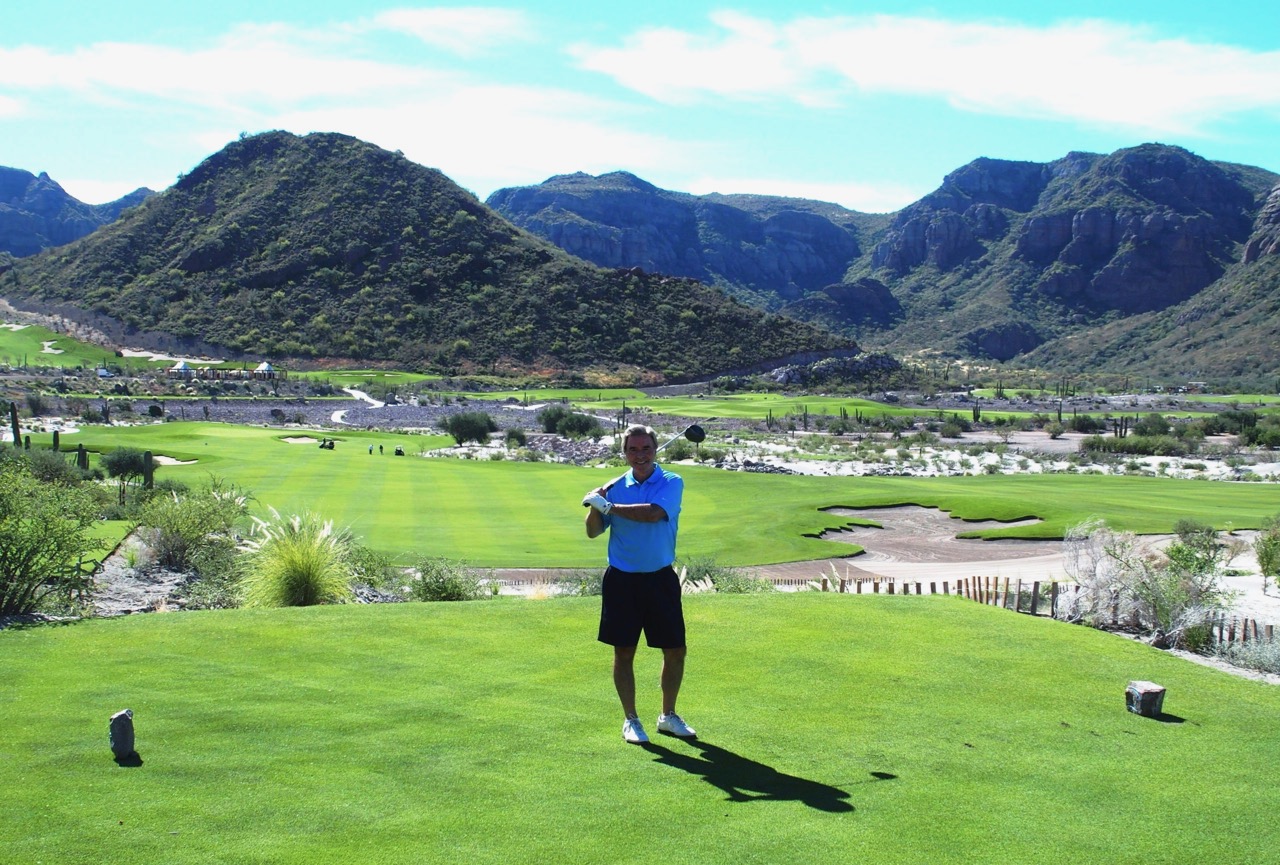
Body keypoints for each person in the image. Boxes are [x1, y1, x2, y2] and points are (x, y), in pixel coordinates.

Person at [583, 424, 696, 745]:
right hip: (622, 580)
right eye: (633, 449)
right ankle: (631, 720)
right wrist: (596, 503)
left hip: (660, 578)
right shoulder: (615, 487)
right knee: (624, 651)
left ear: (655, 449)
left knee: (675, 650)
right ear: (625, 453)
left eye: (646, 448)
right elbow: (593, 531)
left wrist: (609, 507)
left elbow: (654, 513)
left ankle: (668, 716)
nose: (640, 454)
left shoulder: (672, 481)